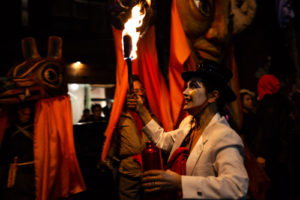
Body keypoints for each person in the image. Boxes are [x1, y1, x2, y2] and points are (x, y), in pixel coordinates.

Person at [129, 61, 249, 199]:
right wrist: (141, 110)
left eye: (193, 86)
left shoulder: (225, 136)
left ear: (212, 96)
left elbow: (236, 187)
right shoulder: (188, 124)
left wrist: (180, 182)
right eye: (186, 87)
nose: (184, 92)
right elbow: (162, 140)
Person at [106, 75, 154, 200]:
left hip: (150, 171)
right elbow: (112, 143)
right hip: (129, 172)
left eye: (140, 90)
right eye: (133, 91)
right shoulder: (120, 118)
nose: (138, 94)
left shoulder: (152, 117)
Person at [253, 74, 295, 200]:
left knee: (272, 187)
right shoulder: (283, 102)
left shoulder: (269, 104)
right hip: (283, 152)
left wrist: (262, 154)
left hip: (272, 154)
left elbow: (269, 129)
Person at [0, 102, 36, 200]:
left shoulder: (39, 129)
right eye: (20, 109)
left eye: (27, 110)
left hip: (31, 175)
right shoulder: (8, 130)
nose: (24, 113)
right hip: (11, 176)